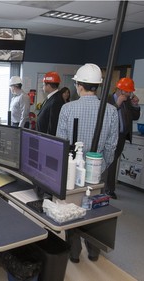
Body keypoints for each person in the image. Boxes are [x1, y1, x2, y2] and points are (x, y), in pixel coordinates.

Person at [56, 63, 119, 263]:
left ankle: (74, 254)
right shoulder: (110, 111)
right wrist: (99, 168)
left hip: (72, 173)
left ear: (79, 86)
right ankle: (93, 252)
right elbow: (111, 146)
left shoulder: (67, 108)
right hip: (96, 173)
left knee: (74, 211)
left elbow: (61, 144)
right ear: (97, 86)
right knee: (94, 211)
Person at [104, 78, 140, 199]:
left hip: (121, 137)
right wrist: (117, 104)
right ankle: (108, 189)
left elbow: (135, 117)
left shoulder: (128, 102)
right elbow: (105, 117)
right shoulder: (107, 99)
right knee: (110, 162)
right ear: (119, 90)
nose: (129, 95)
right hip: (109, 137)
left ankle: (108, 187)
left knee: (113, 161)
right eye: (127, 92)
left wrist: (135, 105)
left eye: (130, 92)